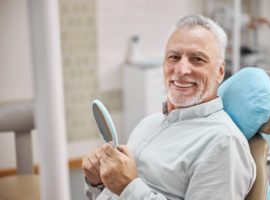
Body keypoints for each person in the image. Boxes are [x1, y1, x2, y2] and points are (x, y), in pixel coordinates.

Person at [82, 14, 256, 200]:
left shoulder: (223, 143)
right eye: (174, 57)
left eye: (197, 59)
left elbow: (127, 190)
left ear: (220, 72)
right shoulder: (148, 124)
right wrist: (98, 182)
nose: (181, 70)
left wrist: (129, 187)